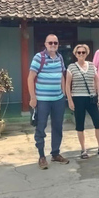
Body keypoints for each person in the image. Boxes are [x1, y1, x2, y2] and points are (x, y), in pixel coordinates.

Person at [28, 34, 69, 170]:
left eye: (55, 43)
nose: (53, 45)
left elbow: (62, 76)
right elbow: (30, 78)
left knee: (58, 127)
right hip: (42, 100)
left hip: (58, 99)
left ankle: (55, 154)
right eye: (50, 43)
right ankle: (41, 156)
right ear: (45, 44)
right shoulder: (39, 57)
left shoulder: (60, 57)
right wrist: (33, 97)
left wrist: (63, 94)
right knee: (40, 128)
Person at [66, 44, 99, 159]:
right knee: (80, 125)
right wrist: (70, 100)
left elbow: (97, 82)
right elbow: (67, 85)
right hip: (78, 98)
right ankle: (83, 149)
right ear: (75, 54)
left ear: (87, 53)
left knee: (98, 123)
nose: (81, 54)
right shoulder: (71, 67)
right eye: (79, 52)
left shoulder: (91, 65)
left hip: (91, 98)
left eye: (83, 52)